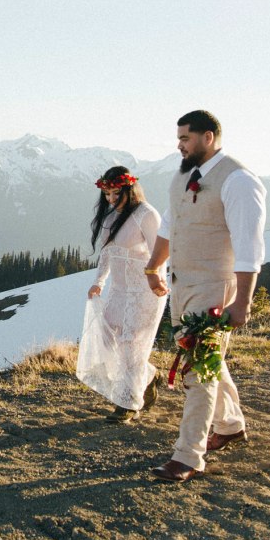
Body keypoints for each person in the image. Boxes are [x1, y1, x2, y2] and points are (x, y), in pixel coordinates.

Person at [144, 109, 267, 483]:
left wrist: (242, 302)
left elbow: (249, 247)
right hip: (182, 285)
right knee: (208, 360)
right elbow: (170, 224)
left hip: (215, 287)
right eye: (179, 138)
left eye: (185, 138)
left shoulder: (239, 181)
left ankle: (189, 455)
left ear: (208, 137)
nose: (179, 145)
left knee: (198, 368)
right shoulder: (185, 177)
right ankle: (229, 425)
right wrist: (153, 267)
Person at [76, 166, 168, 422]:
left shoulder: (147, 215)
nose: (111, 199)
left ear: (129, 189)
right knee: (108, 340)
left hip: (143, 291)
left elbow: (160, 250)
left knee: (130, 345)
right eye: (107, 194)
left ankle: (128, 403)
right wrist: (99, 282)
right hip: (118, 290)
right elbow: (107, 252)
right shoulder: (110, 218)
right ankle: (148, 375)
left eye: (116, 193)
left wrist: (157, 278)